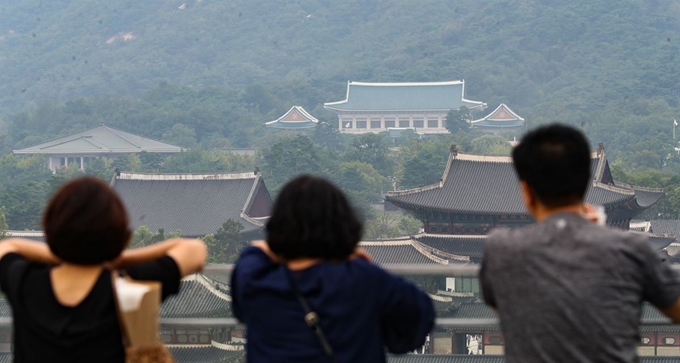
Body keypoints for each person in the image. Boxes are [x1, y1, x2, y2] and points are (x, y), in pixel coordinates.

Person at [479, 124, 680, 363]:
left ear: (526, 192)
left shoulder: (500, 249)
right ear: (587, 181)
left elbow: (506, 308)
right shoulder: (631, 248)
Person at [0, 176, 207, 363]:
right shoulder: (128, 284)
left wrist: (65, 253)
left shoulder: (25, 282)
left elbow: (8, 246)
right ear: (119, 233)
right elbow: (194, 250)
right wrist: (114, 257)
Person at [231, 175, 435, 362]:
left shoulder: (254, 278)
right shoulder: (363, 279)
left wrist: (283, 243)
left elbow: (256, 251)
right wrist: (354, 258)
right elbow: (417, 321)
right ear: (345, 225)